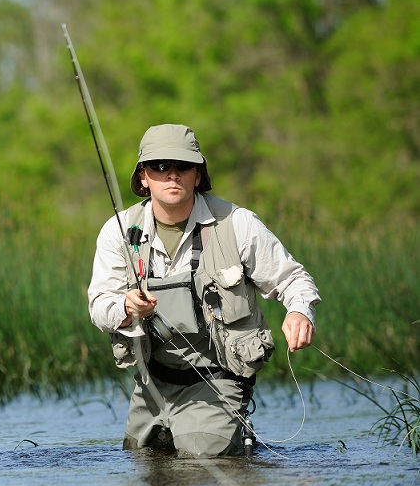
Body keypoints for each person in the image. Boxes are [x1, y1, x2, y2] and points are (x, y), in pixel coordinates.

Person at [87, 123, 320, 457]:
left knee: (201, 461)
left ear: (198, 175)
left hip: (217, 381)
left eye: (183, 166)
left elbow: (293, 279)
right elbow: (98, 305)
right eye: (160, 166)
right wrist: (126, 308)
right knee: (142, 468)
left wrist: (299, 312)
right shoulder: (118, 231)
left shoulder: (238, 224)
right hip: (150, 386)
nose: (172, 175)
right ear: (143, 177)